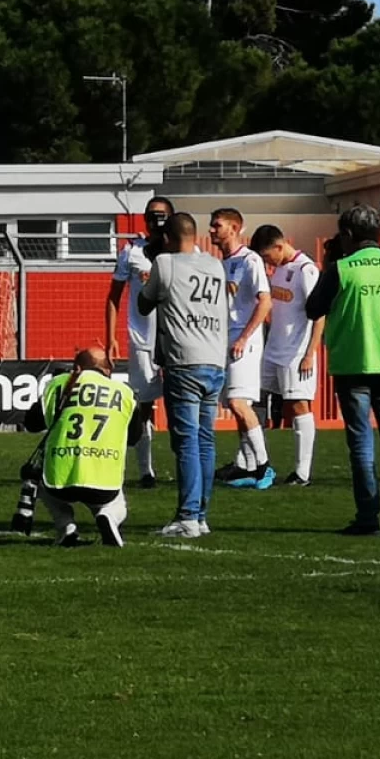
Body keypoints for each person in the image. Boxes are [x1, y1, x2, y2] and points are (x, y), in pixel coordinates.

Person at [307, 205, 380, 537]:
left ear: (346, 234)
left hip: (354, 364)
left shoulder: (342, 268)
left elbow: (313, 308)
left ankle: (368, 517)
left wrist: (329, 266)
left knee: (361, 444)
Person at [137, 213, 227, 538]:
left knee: (187, 440)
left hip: (184, 360)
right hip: (215, 359)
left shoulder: (165, 263)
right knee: (205, 440)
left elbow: (144, 303)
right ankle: (200, 515)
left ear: (168, 238)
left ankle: (188, 516)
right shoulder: (216, 265)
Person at [22, 347, 131, 548]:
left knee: (41, 477)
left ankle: (66, 527)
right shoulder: (124, 393)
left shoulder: (58, 384)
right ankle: (107, 515)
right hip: (103, 481)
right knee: (117, 504)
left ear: (77, 367)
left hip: (60, 480)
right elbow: (134, 437)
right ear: (108, 370)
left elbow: (31, 423)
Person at [105, 196, 173, 487]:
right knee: (143, 405)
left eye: (161, 215)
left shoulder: (183, 250)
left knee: (179, 404)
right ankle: (146, 471)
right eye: (151, 215)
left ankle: (187, 468)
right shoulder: (131, 251)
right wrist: (111, 339)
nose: (155, 220)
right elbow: (114, 296)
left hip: (175, 340)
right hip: (142, 340)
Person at [253, 225, 323, 487]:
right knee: (256, 398)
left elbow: (320, 314)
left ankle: (302, 472)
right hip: (273, 349)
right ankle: (251, 462)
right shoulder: (280, 270)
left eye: (268, 255)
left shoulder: (306, 270)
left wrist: (310, 353)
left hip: (296, 352)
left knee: (298, 406)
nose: (267, 262)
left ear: (279, 246)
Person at [209, 208, 274, 488]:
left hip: (242, 341)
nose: (212, 230)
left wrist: (244, 337)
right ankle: (246, 466)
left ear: (234, 228)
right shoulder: (219, 264)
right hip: (224, 339)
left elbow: (265, 302)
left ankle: (263, 465)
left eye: (217, 225)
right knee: (237, 405)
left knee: (237, 403)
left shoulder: (251, 260)